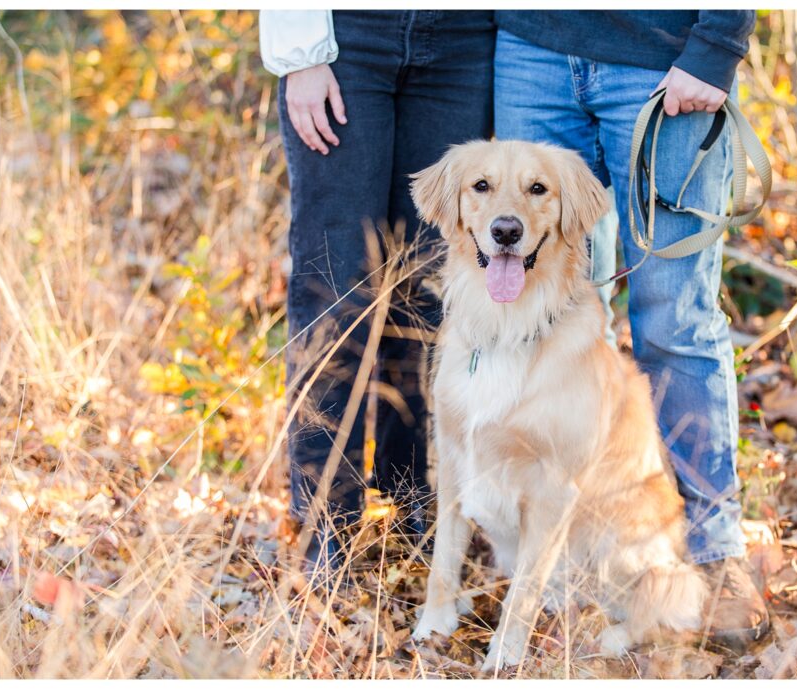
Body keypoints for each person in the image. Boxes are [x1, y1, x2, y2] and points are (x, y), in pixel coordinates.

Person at [492, 10, 767, 650]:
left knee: (675, 317)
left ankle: (715, 551)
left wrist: (718, 43)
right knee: (542, 316)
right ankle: (554, 554)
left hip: (667, 57)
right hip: (532, 48)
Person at [260, 10, 496, 572]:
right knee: (336, 290)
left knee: (424, 294)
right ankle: (326, 532)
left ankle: (409, 512)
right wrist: (302, 53)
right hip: (349, 39)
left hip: (465, 46)